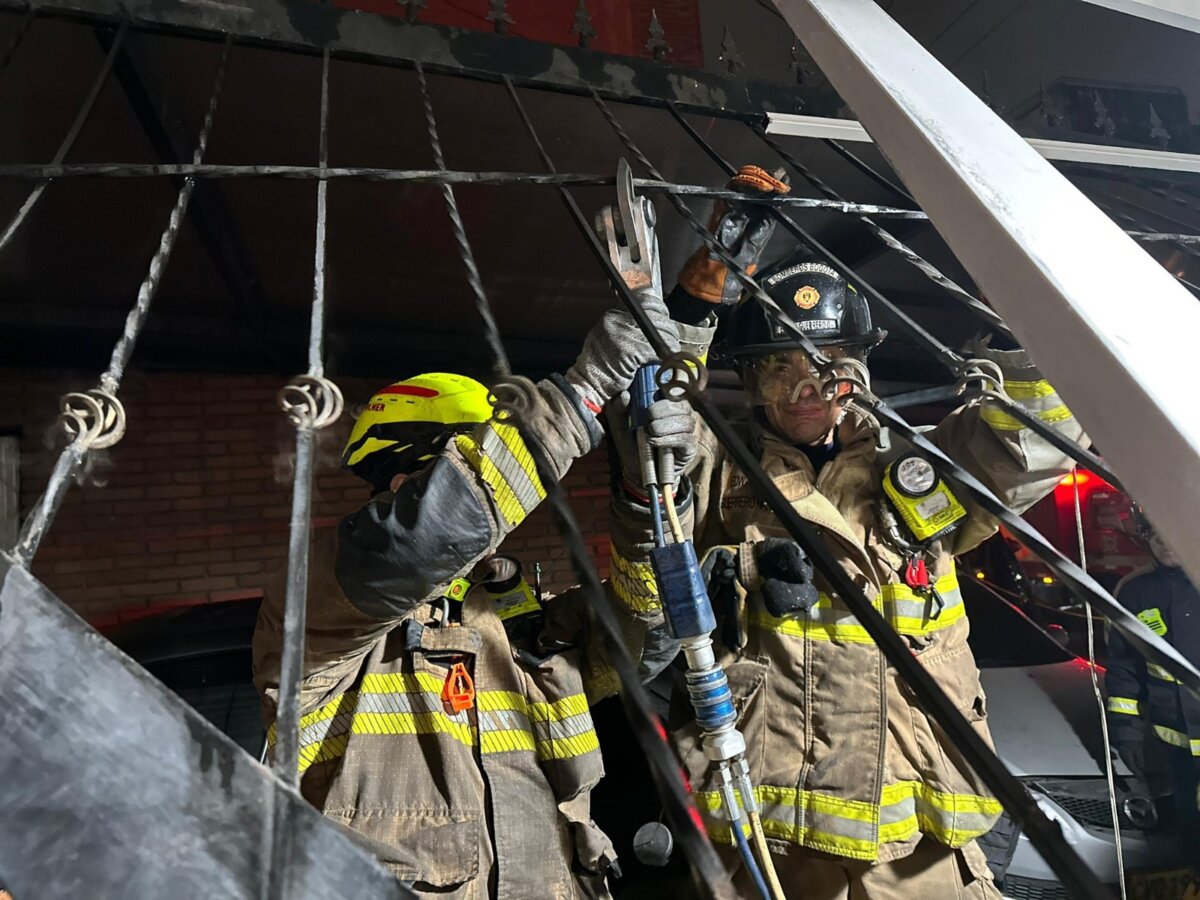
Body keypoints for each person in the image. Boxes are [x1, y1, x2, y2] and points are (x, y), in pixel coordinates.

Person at [604, 165, 1088, 897]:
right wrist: (693, 307)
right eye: (776, 370)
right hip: (774, 843)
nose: (803, 390)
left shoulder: (923, 469)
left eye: (824, 366)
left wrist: (1018, 303)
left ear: (856, 370)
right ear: (748, 380)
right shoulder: (719, 477)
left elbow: (1032, 443)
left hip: (922, 850)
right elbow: (650, 425)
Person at [253, 257, 679, 897]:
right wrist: (583, 395)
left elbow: (649, 633)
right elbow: (424, 541)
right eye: (473, 462)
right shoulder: (323, 598)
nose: (505, 497)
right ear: (404, 483)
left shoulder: (512, 620)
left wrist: (647, 493)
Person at [1105, 506, 1200, 875]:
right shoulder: (1135, 591)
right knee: (1189, 833)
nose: (1165, 545)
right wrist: (1126, 733)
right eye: (1156, 536)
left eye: (1172, 534)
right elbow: (1124, 667)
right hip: (1175, 746)